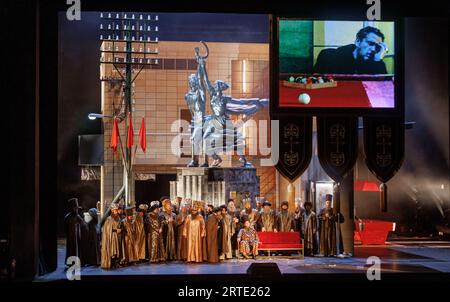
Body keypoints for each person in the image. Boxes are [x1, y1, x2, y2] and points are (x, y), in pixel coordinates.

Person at [314, 26, 388, 75]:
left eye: (377, 46)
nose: (373, 49)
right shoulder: (332, 57)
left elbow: (382, 87)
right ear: (358, 42)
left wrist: (378, 60)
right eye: (370, 43)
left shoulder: (375, 61)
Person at [64, 198, 85, 265]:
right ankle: (71, 262)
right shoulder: (68, 217)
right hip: (71, 236)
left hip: (76, 236)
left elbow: (83, 224)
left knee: (76, 249)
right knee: (71, 250)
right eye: (74, 208)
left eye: (76, 208)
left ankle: (75, 262)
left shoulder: (77, 216)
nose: (76, 209)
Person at [101, 203, 122, 269]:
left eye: (117, 210)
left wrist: (120, 229)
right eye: (115, 210)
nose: (116, 211)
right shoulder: (109, 219)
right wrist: (116, 230)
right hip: (111, 237)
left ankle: (116, 263)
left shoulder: (118, 218)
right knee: (112, 250)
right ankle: (111, 263)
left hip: (117, 237)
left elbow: (120, 226)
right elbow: (107, 230)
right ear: (112, 211)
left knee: (117, 250)